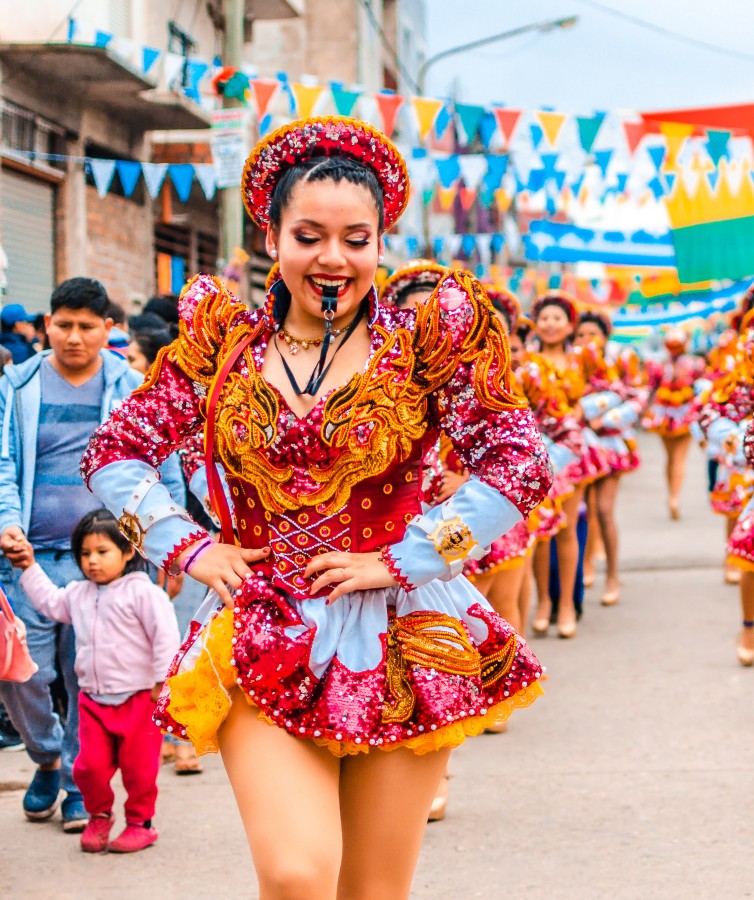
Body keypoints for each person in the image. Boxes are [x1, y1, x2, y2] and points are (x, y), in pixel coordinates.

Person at [81, 116, 552, 897]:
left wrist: (404, 557)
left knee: (371, 891)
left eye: (356, 239)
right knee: (298, 875)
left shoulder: (427, 343)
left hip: (406, 629)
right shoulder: (220, 346)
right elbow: (115, 452)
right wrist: (186, 546)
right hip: (264, 622)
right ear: (272, 237)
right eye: (309, 235)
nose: (333, 259)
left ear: (379, 242)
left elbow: (519, 458)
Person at [0, 276, 185, 833]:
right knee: (20, 676)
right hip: (29, 557)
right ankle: (48, 758)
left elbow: (163, 466)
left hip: (115, 562)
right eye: (64, 325)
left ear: (109, 330)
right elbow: (5, 463)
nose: (74, 337)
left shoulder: (131, 388)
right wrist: (8, 525)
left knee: (93, 678)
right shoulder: (18, 385)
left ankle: (83, 784)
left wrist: (170, 548)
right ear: (46, 327)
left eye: (86, 326)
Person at [12, 509, 180, 852]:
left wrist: (163, 683)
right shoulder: (78, 594)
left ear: (128, 551)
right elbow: (50, 602)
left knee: (139, 771)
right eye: (85, 554)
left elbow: (166, 637)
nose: (92, 561)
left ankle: (140, 823)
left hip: (139, 700)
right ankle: (99, 815)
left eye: (102, 552)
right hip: (93, 702)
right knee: (87, 768)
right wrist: (28, 567)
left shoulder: (144, 593)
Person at [642, 329, 705, 520]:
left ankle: (672, 495)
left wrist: (646, 411)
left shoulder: (659, 365)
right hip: (682, 414)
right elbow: (702, 390)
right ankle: (674, 497)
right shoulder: (695, 363)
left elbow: (650, 390)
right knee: (678, 458)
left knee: (670, 458)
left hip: (665, 416)